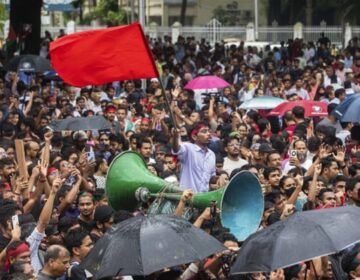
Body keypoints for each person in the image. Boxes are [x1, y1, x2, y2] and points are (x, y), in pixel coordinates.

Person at [171, 122, 216, 192]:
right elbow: (176, 149)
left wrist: (220, 177)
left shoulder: (212, 154)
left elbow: (211, 177)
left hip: (203, 199)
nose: (209, 134)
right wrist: (175, 137)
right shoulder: (188, 148)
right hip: (186, 198)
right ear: (194, 137)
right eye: (204, 131)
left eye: (209, 131)